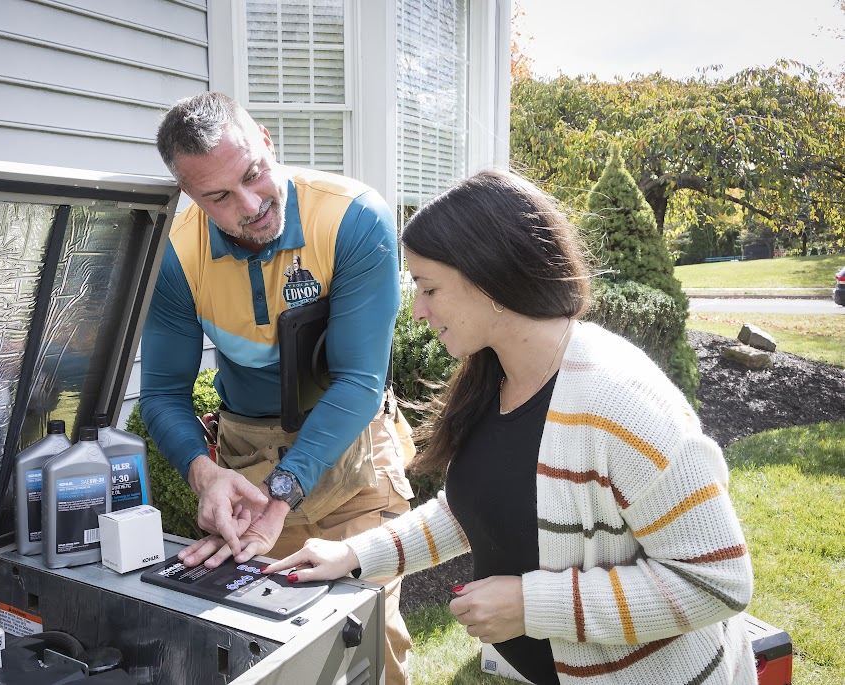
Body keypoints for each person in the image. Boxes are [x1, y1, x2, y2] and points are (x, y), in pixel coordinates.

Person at [264, 169, 758, 685]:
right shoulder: (494, 375)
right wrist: (354, 554)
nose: (417, 311)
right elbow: (475, 510)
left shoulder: (622, 403)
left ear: (490, 279)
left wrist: (531, 605)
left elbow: (717, 581)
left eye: (429, 288)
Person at [139, 91, 415, 685]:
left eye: (253, 174)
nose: (251, 204)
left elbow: (360, 381)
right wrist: (204, 473)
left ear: (266, 140)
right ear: (191, 198)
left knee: (370, 640)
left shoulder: (352, 217)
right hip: (245, 472)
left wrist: (283, 492)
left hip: (353, 460)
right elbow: (162, 394)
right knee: (263, 651)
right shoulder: (174, 254)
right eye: (218, 197)